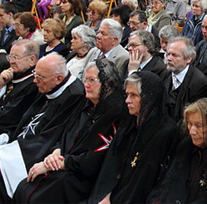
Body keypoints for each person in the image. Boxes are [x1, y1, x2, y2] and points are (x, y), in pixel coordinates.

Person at [0, 54, 84, 204]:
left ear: (58, 78)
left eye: (40, 77)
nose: (34, 80)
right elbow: (25, 122)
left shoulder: (73, 95)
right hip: (21, 144)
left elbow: (48, 138)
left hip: (35, 153)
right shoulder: (49, 87)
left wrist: (4, 151)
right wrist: (0, 140)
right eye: (35, 75)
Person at [13, 59, 124, 203]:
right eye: (85, 79)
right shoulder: (83, 103)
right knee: (23, 187)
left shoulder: (114, 114)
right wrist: (55, 152)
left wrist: (63, 163)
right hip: (63, 162)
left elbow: (96, 159)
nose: (86, 85)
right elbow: (64, 134)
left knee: (39, 196)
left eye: (92, 80)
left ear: (107, 83)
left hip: (82, 175)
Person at [89, 72, 178, 203]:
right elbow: (110, 165)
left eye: (134, 95)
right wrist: (104, 195)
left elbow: (144, 180)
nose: (127, 100)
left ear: (149, 98)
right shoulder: (129, 123)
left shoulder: (164, 132)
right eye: (127, 95)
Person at [149, 98, 207, 203]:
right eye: (190, 124)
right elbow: (169, 184)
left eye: (198, 126)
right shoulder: (186, 145)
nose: (192, 131)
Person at [161, 37, 207, 121]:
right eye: (168, 54)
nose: (169, 58)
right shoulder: (165, 74)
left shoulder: (199, 83)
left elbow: (191, 117)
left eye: (174, 55)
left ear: (188, 59)